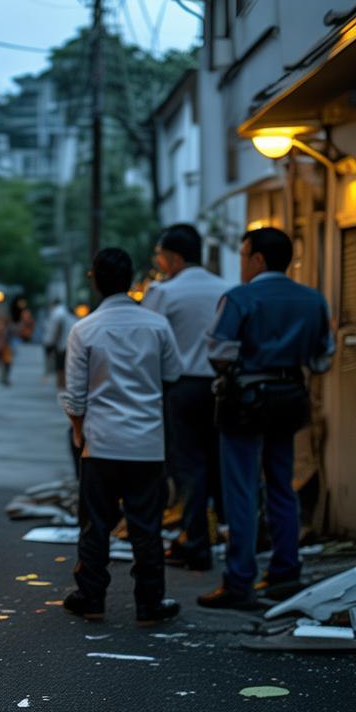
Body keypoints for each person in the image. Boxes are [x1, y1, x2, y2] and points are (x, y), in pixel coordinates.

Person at [198, 227, 334, 610]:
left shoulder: (240, 298)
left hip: (245, 399)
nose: (241, 263)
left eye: (243, 256)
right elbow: (323, 359)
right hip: (290, 396)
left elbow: (219, 351)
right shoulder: (313, 300)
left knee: (241, 488)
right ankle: (284, 571)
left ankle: (239, 580)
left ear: (258, 259)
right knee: (281, 482)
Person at [59, 248, 184, 626]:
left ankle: (91, 597)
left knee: (96, 522)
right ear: (131, 281)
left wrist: (80, 435)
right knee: (147, 526)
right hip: (147, 443)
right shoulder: (157, 325)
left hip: (101, 442)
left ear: (94, 280)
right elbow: (173, 375)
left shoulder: (84, 329)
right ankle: (150, 603)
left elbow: (75, 397)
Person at [142, 224, 230, 571]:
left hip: (181, 387)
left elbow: (146, 342)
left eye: (160, 256)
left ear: (174, 257)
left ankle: (195, 542)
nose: (159, 263)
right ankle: (221, 535)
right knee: (218, 463)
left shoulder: (163, 292)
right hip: (222, 385)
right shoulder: (226, 288)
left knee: (188, 466)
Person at [44, 297, 76, 390]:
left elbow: (55, 330)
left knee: (61, 370)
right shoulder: (65, 311)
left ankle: (62, 393)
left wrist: (50, 343)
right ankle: (64, 391)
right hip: (70, 343)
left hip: (63, 345)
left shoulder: (57, 313)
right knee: (67, 370)